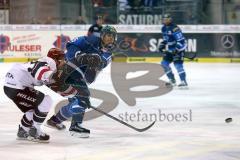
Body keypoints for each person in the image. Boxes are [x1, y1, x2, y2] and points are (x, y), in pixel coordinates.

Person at [46, 25, 117, 138]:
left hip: (82, 77)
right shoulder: (91, 40)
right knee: (82, 98)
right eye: (108, 35)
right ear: (102, 35)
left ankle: (55, 120)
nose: (111, 38)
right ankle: (75, 127)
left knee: (76, 102)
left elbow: (101, 63)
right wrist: (79, 55)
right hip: (69, 71)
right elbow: (72, 45)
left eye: (113, 36)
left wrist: (93, 59)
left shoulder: (109, 52)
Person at [3, 48, 65, 142]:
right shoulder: (49, 62)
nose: (63, 61)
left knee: (32, 109)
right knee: (46, 101)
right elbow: (40, 73)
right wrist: (51, 77)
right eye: (61, 59)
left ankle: (23, 130)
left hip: (12, 86)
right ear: (55, 59)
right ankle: (35, 131)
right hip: (16, 86)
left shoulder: (46, 62)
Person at [159, 14, 188, 88]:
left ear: (170, 20)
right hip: (171, 49)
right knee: (164, 64)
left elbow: (181, 41)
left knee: (178, 65)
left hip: (179, 48)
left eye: (166, 19)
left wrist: (176, 49)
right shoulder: (163, 28)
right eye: (164, 19)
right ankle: (172, 80)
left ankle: (183, 82)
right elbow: (166, 39)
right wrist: (162, 44)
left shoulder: (175, 28)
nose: (164, 20)